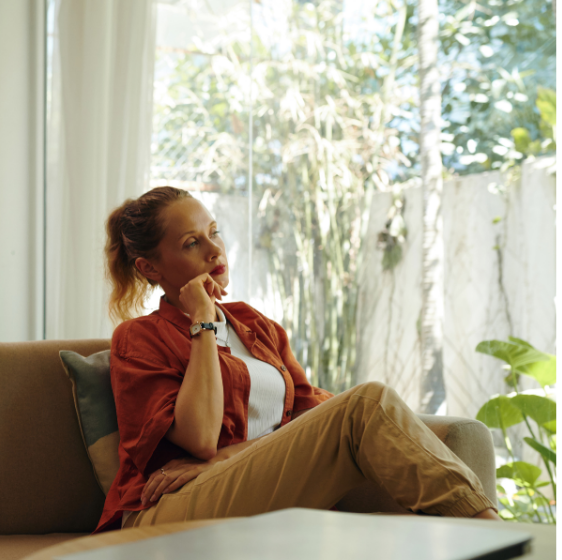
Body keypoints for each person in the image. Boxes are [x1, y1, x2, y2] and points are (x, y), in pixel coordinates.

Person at [97, 185, 498, 533]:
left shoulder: (256, 325)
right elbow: (200, 439)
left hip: (240, 484)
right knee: (365, 403)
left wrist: (229, 457)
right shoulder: (138, 339)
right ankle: (491, 533)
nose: (215, 250)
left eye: (214, 233)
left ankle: (483, 535)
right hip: (169, 509)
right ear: (149, 267)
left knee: (363, 410)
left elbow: (308, 419)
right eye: (191, 243)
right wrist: (202, 319)